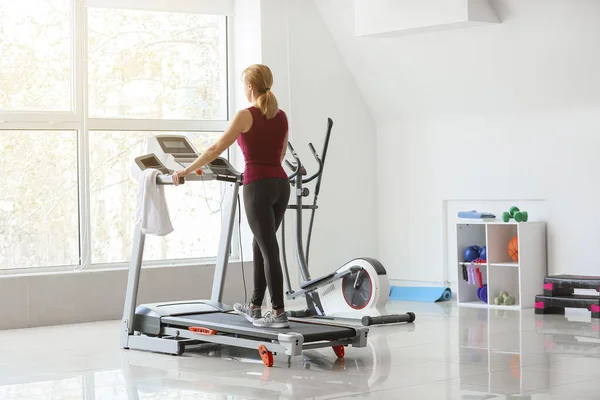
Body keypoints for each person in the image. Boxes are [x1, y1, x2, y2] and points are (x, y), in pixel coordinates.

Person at [172, 64, 291, 329]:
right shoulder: (281, 116)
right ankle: (255, 306)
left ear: (250, 86)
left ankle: (279, 312)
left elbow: (216, 148)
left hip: (257, 185)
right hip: (281, 184)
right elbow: (281, 154)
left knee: (269, 249)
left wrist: (187, 169)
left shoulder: (245, 115)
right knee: (261, 244)